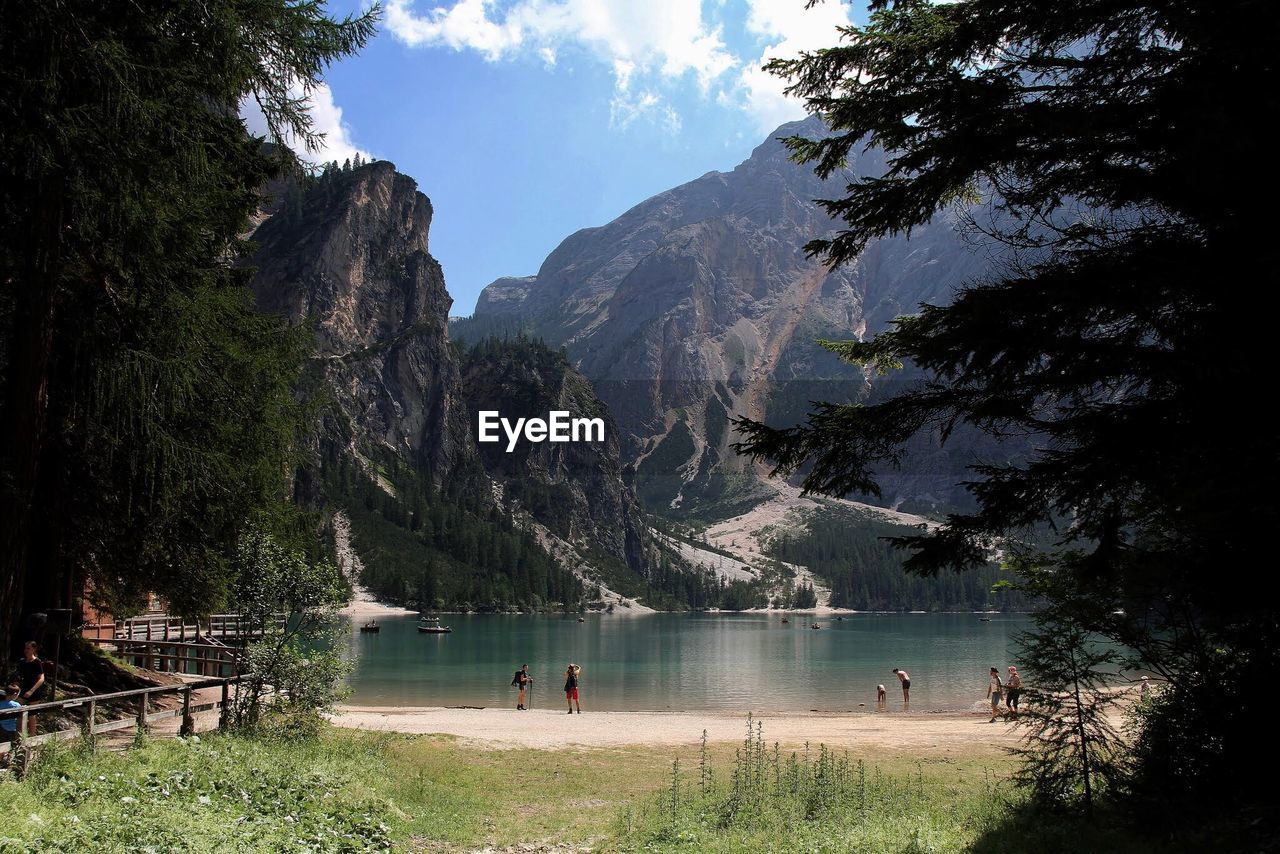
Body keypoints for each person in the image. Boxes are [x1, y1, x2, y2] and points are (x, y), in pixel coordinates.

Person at [16, 641, 45, 736]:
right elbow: (19, 676)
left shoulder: (37, 662)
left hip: (34, 690)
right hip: (24, 689)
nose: (26, 650)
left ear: (33, 649)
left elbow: (41, 678)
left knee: (32, 714)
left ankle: (32, 736)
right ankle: (19, 734)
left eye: (28, 648)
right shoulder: (22, 662)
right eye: (25, 648)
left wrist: (32, 691)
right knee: (18, 708)